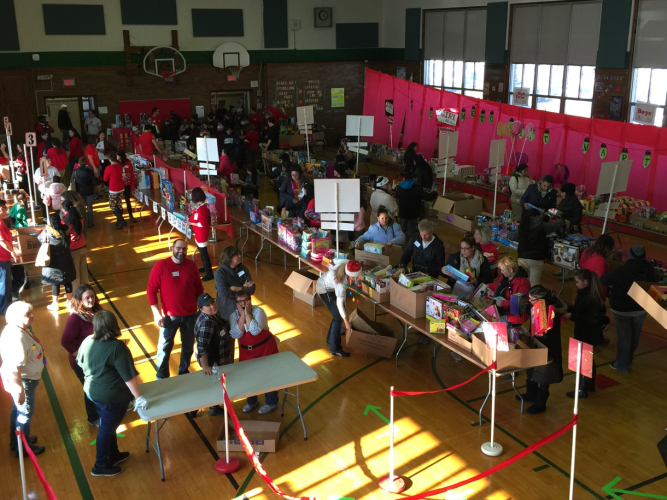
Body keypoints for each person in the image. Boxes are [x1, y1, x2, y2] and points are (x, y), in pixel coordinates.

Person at [77, 310, 144, 477]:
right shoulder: (117, 347)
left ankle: (113, 454)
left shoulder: (87, 341)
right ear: (114, 325)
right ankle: (100, 465)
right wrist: (139, 397)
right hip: (111, 397)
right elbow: (129, 377)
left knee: (110, 425)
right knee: (107, 429)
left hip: (92, 392)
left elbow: (80, 362)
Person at [147, 239, 204, 380]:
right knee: (164, 349)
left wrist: (202, 307)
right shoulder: (161, 266)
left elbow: (198, 288)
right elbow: (151, 290)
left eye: (184, 249)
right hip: (168, 318)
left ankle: (183, 371)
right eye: (178, 248)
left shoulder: (191, 265)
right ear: (172, 248)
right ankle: (161, 377)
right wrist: (156, 313)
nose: (181, 251)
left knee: (188, 347)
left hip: (190, 315)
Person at [600, 245, 658, 374]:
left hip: (622, 308)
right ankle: (628, 359)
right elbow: (655, 283)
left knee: (624, 337)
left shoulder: (623, 269)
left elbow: (604, 280)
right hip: (641, 307)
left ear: (630, 256)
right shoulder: (649, 268)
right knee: (635, 336)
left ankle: (622, 364)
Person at [0, 301, 46, 456]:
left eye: (31, 312)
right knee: (24, 414)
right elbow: (14, 367)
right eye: (27, 314)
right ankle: (24, 448)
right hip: (25, 381)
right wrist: (20, 390)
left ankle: (17, 441)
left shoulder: (16, 328)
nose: (32, 316)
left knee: (17, 410)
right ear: (16, 317)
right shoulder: (18, 337)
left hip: (25, 379)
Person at [515, 285, 566, 415]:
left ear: (540, 300)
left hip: (548, 346)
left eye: (531, 300)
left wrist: (539, 335)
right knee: (531, 370)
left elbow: (549, 334)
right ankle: (530, 394)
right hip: (537, 342)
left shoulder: (550, 312)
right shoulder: (538, 307)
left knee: (544, 377)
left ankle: (540, 404)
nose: (529, 301)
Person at [229, 290, 280, 413]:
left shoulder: (259, 311)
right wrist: (242, 317)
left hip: (265, 348)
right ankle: (252, 401)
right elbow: (236, 334)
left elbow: (255, 330)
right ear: (236, 304)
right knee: (248, 376)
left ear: (250, 301)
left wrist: (247, 315)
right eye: (239, 301)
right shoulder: (233, 316)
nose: (242, 304)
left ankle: (272, 402)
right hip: (247, 352)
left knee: (269, 375)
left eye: (245, 300)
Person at [61, 284, 102, 427]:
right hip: (82, 362)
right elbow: (65, 341)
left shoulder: (98, 310)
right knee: (90, 387)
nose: (91, 300)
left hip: (99, 357)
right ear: (79, 300)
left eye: (92, 296)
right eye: (87, 298)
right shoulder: (75, 319)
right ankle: (93, 417)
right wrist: (82, 356)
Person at [564, 269, 605, 399]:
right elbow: (580, 309)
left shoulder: (590, 298)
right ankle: (589, 384)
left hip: (588, 333)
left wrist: (573, 316)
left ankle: (582, 389)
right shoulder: (586, 294)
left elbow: (591, 319)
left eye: (577, 282)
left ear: (585, 282)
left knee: (584, 361)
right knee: (588, 359)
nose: (576, 284)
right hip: (586, 332)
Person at [195, 293, 233, 416]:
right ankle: (212, 408)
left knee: (216, 384)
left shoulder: (213, 316)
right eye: (208, 305)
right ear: (201, 309)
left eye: (213, 302)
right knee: (215, 384)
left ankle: (213, 406)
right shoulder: (207, 322)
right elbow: (202, 347)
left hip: (217, 359)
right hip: (214, 362)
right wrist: (205, 366)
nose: (212, 306)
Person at [508, 208, 568, 286]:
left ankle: (521, 298)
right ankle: (532, 298)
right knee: (534, 285)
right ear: (538, 216)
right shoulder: (542, 226)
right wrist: (562, 220)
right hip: (536, 259)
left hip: (523, 259)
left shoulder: (523, 226)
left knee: (522, 284)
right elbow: (555, 225)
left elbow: (511, 236)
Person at [317, 261, 359, 357]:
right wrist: (346, 322)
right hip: (324, 290)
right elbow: (339, 304)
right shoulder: (340, 283)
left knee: (337, 315)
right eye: (353, 277)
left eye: (357, 276)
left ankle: (330, 339)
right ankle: (335, 349)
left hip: (326, 283)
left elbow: (335, 259)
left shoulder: (347, 263)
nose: (355, 279)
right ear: (348, 274)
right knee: (338, 317)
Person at [40, 214, 76, 312]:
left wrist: (47, 226)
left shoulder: (47, 232)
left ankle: (55, 304)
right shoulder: (66, 229)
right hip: (66, 258)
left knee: (55, 283)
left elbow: (40, 239)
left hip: (54, 260)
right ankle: (70, 302)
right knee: (67, 281)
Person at [215, 246, 255, 322]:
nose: (240, 256)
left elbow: (252, 289)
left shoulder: (243, 268)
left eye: (239, 254)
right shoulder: (220, 273)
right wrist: (244, 289)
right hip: (227, 312)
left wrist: (235, 288)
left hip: (244, 309)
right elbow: (224, 293)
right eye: (237, 255)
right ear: (229, 258)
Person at [395, 168, 437, 240]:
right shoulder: (417, 188)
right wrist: (434, 193)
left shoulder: (400, 187)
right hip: (413, 214)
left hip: (403, 212)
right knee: (412, 231)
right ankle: (412, 247)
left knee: (402, 231)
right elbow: (427, 197)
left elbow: (397, 196)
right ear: (414, 178)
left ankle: (399, 245)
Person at [491, 256, 531, 326]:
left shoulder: (523, 283)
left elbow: (520, 302)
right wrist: (489, 286)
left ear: (511, 270)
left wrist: (503, 303)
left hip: (513, 318)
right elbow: (499, 287)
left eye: (503, 270)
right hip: (501, 312)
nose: (501, 272)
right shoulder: (505, 276)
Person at [187, 187, 214, 282]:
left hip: (201, 233)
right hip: (198, 232)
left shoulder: (202, 208)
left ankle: (209, 273)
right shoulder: (200, 207)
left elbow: (202, 224)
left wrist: (190, 223)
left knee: (204, 253)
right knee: (201, 252)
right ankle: (205, 268)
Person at [61, 200, 88, 288]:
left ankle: (76, 292)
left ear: (64, 209)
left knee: (75, 272)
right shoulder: (78, 216)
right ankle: (85, 289)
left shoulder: (65, 220)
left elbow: (62, 234)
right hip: (82, 244)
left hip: (73, 248)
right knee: (83, 270)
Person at [0, 201, 16, 315]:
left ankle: (6, 306)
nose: (6, 210)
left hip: (4, 257)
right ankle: (4, 309)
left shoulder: (2, 221)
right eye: (4, 208)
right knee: (4, 284)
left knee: (4, 283)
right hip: (2, 258)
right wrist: (13, 252)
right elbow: (2, 241)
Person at [103, 153, 127, 229]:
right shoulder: (120, 166)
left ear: (109, 159)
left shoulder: (109, 168)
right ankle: (119, 222)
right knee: (119, 204)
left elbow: (105, 179)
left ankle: (121, 220)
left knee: (113, 205)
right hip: (121, 187)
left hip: (113, 188)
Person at [74, 156, 99, 227]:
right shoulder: (90, 171)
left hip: (80, 192)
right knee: (89, 207)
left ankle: (83, 223)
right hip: (89, 191)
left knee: (81, 208)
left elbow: (73, 182)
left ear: (79, 163)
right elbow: (95, 182)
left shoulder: (75, 172)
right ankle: (90, 222)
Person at [118, 151, 136, 223]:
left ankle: (130, 215)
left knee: (127, 200)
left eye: (117, 155)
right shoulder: (116, 164)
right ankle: (120, 217)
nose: (116, 157)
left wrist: (132, 186)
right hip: (119, 186)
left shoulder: (128, 163)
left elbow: (132, 174)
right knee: (119, 202)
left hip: (127, 185)